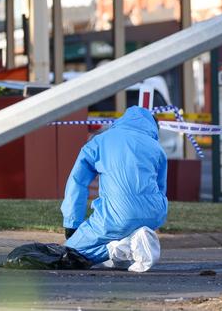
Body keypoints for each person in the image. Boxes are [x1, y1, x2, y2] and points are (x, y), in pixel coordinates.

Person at [60, 106, 168, 265]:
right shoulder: (157, 148)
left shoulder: (100, 141)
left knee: (70, 253)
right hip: (154, 215)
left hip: (115, 216)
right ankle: (131, 245)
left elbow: (77, 182)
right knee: (114, 247)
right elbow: (161, 188)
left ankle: (124, 249)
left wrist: (72, 222)